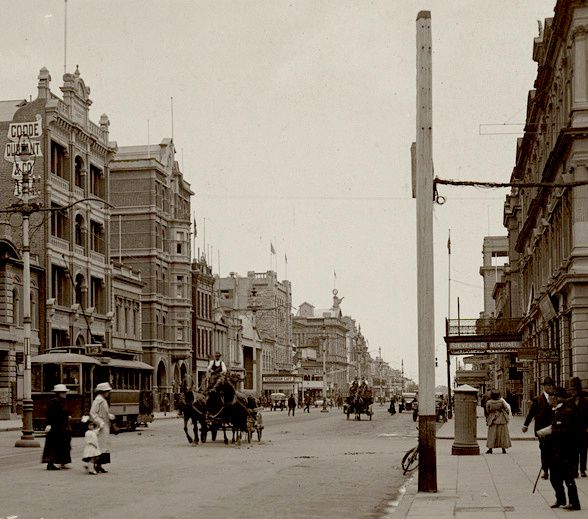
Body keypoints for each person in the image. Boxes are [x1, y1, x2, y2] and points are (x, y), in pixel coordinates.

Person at [539, 386, 581, 510]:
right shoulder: (555, 411)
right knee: (554, 478)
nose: (549, 398)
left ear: (557, 398)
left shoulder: (567, 412)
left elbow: (567, 431)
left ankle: (574, 502)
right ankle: (561, 500)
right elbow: (554, 426)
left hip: (565, 452)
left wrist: (550, 432)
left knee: (568, 478)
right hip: (555, 451)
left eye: (552, 396)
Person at [522, 376, 555, 480]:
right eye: (548, 385)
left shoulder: (555, 398)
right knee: (544, 450)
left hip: (553, 429)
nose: (550, 387)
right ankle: (545, 471)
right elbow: (531, 413)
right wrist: (525, 425)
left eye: (551, 385)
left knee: (553, 450)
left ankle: (553, 470)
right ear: (544, 387)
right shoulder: (537, 399)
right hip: (541, 429)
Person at [41, 384, 72, 471]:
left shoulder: (60, 401)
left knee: (56, 445)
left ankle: (54, 463)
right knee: (54, 446)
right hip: (56, 428)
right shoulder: (55, 402)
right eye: (63, 392)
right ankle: (50, 464)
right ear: (59, 393)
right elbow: (52, 415)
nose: (65, 393)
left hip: (58, 427)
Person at [90, 382, 115, 473]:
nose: (108, 393)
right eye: (107, 391)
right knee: (99, 446)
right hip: (100, 426)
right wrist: (100, 422)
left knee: (103, 446)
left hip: (104, 425)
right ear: (103, 392)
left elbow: (103, 412)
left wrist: (109, 416)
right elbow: (93, 413)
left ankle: (99, 465)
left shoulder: (102, 400)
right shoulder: (98, 401)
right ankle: (95, 465)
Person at [568, 377, 588, 478]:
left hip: (583, 430)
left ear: (578, 390)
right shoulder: (568, 402)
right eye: (571, 390)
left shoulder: (586, 402)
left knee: (583, 451)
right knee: (573, 452)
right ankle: (574, 470)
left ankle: (583, 469)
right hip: (571, 432)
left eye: (574, 390)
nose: (573, 392)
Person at [485, 389, 511, 454]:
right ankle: (503, 449)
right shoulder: (501, 402)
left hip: (492, 419)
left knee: (492, 434)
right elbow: (507, 409)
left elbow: (487, 411)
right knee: (503, 434)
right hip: (502, 419)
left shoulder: (489, 402)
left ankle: (490, 449)